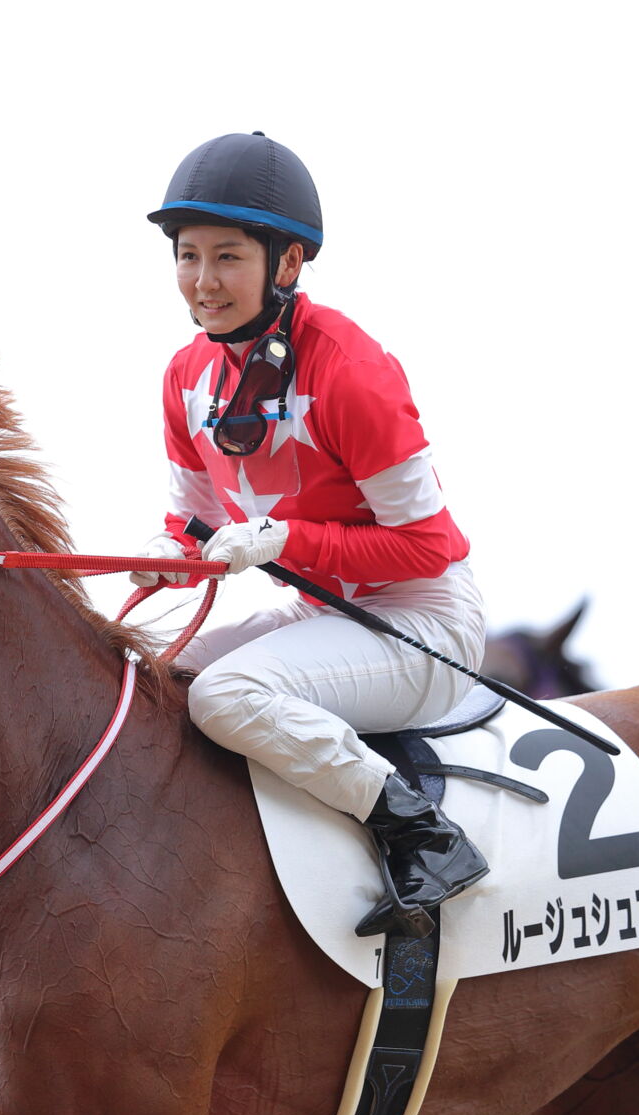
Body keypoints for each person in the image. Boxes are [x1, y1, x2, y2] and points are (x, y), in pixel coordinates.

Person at [131, 133, 486, 939]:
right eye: (187, 257)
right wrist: (167, 559)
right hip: (326, 619)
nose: (203, 281)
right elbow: (196, 527)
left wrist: (287, 543)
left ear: (287, 264)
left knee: (227, 695)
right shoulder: (186, 376)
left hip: (424, 622)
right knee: (146, 674)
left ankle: (421, 834)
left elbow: (428, 549)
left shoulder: (352, 371)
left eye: (227, 257)